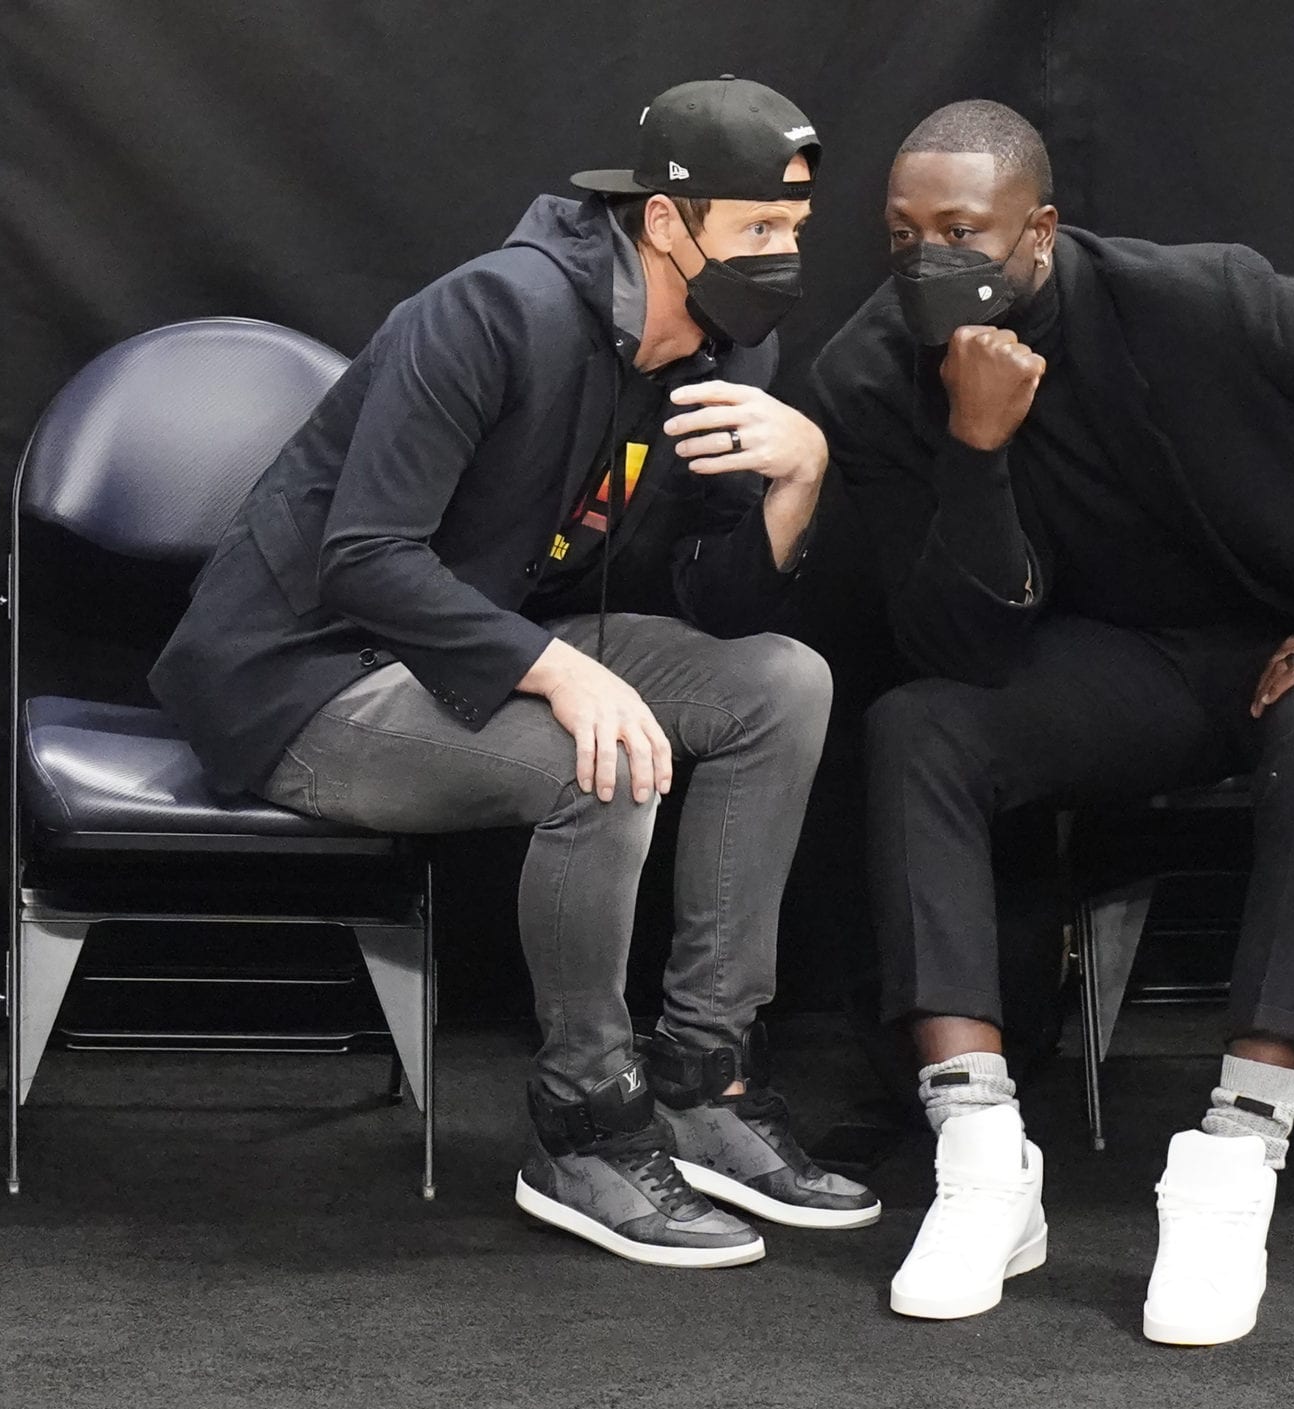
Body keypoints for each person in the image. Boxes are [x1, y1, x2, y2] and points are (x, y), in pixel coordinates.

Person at [809, 100, 1294, 1343]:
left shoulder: (1205, 299)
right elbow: (963, 645)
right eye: (902, 235)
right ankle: (981, 1156)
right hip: (1112, 671)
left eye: (961, 230)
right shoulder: (868, 371)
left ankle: (1235, 1158)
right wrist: (974, 447)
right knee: (919, 729)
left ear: (1042, 231)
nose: (928, 262)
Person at [152, 76, 878, 1270]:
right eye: (759, 228)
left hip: (476, 643)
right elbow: (365, 559)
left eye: (796, 227)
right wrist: (554, 669)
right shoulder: (492, 312)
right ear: (664, 222)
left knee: (782, 682)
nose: (786, 255)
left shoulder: (729, 341)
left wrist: (799, 485)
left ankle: (704, 1079)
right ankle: (585, 1123)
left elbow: (720, 606)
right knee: (603, 760)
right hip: (310, 675)